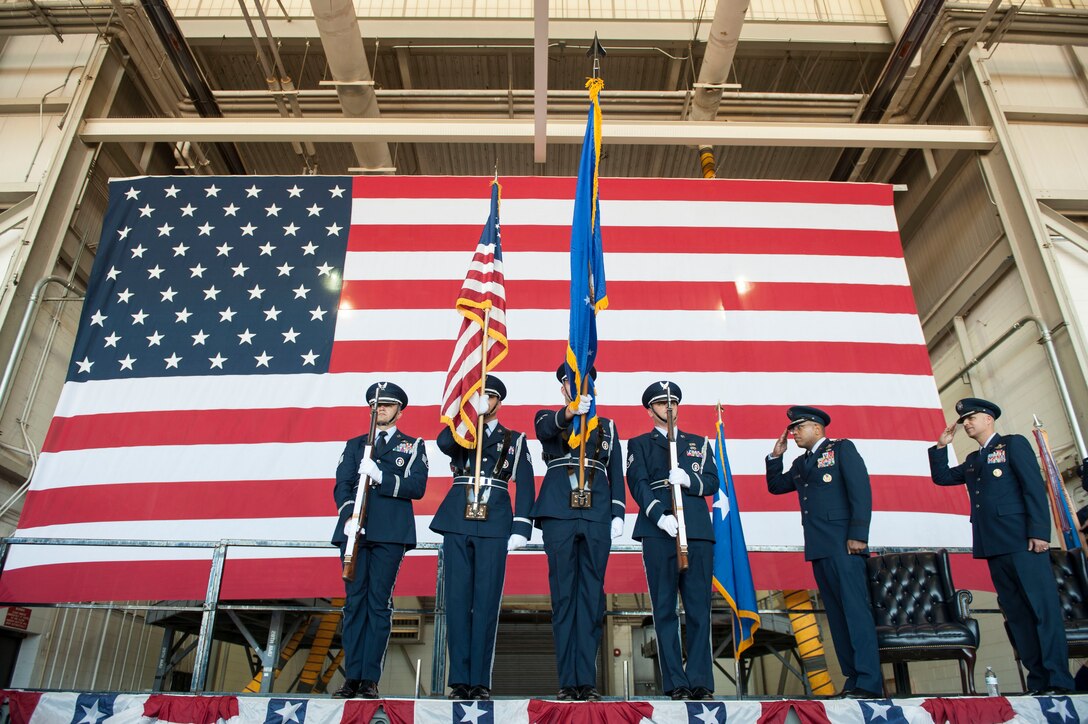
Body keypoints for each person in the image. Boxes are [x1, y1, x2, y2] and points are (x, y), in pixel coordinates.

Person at [929, 397, 1075, 695]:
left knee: (1042, 612)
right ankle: (1038, 681)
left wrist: (1039, 532)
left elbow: (1033, 487)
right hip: (994, 546)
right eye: (964, 420)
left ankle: (1058, 680)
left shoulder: (1012, 445)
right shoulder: (973, 460)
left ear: (988, 419)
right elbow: (942, 478)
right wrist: (941, 446)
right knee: (1018, 616)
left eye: (972, 418)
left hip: (1023, 542)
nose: (967, 423)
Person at [766, 405, 882, 698]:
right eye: (792, 429)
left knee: (856, 613)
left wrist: (858, 534)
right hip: (819, 548)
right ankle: (853, 679)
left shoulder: (841, 450)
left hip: (845, 545)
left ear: (817, 428)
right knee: (838, 616)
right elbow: (776, 486)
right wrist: (775, 457)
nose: (793, 433)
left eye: (798, 428)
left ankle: (870, 680)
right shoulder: (802, 463)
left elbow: (860, 490)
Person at [432, 375, 536, 701]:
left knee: (486, 604)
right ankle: (459, 680)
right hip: (458, 519)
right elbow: (443, 444)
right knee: (458, 602)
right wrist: (465, 417)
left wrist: (521, 527)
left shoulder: (514, 439)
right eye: (479, 397)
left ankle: (480, 680)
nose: (484, 402)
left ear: (499, 402)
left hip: (495, 523)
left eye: (489, 397)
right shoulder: (462, 433)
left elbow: (528, 485)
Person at [532, 364, 625, 701]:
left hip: (597, 512)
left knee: (591, 599)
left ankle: (586, 681)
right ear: (563, 389)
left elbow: (616, 470)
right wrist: (570, 412)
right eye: (571, 383)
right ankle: (566, 681)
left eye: (584, 383)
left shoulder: (607, 426)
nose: (579, 388)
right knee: (564, 598)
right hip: (559, 511)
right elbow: (545, 432)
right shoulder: (550, 416)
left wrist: (618, 512)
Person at [331, 381, 429, 699]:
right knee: (354, 604)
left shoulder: (412, 445)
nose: (380, 409)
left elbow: (417, 486)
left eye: (387, 404)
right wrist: (349, 517)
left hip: (390, 533)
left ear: (399, 410)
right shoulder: (355, 444)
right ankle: (352, 676)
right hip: (355, 533)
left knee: (378, 605)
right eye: (376, 404)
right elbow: (342, 485)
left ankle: (370, 678)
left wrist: (382, 476)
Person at [625, 381, 718, 700]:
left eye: (673, 403)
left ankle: (700, 681)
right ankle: (675, 682)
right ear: (650, 409)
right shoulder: (639, 444)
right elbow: (637, 484)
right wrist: (658, 515)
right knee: (664, 609)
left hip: (696, 530)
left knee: (698, 610)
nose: (669, 408)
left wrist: (689, 479)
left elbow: (712, 482)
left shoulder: (698, 443)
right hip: (658, 530)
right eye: (663, 404)